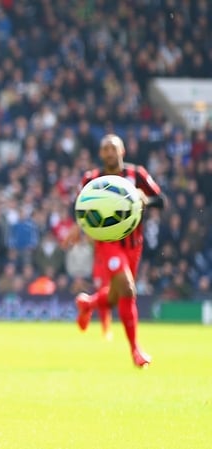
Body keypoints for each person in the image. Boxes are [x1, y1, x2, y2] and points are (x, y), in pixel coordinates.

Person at [65, 134, 165, 367]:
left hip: (133, 244)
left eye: (113, 148)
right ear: (100, 154)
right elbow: (80, 207)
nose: (109, 152)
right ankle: (136, 351)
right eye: (105, 148)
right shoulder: (91, 178)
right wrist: (76, 226)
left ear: (122, 151)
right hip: (107, 243)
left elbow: (161, 200)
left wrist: (145, 200)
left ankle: (89, 303)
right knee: (128, 290)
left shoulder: (137, 174)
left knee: (116, 294)